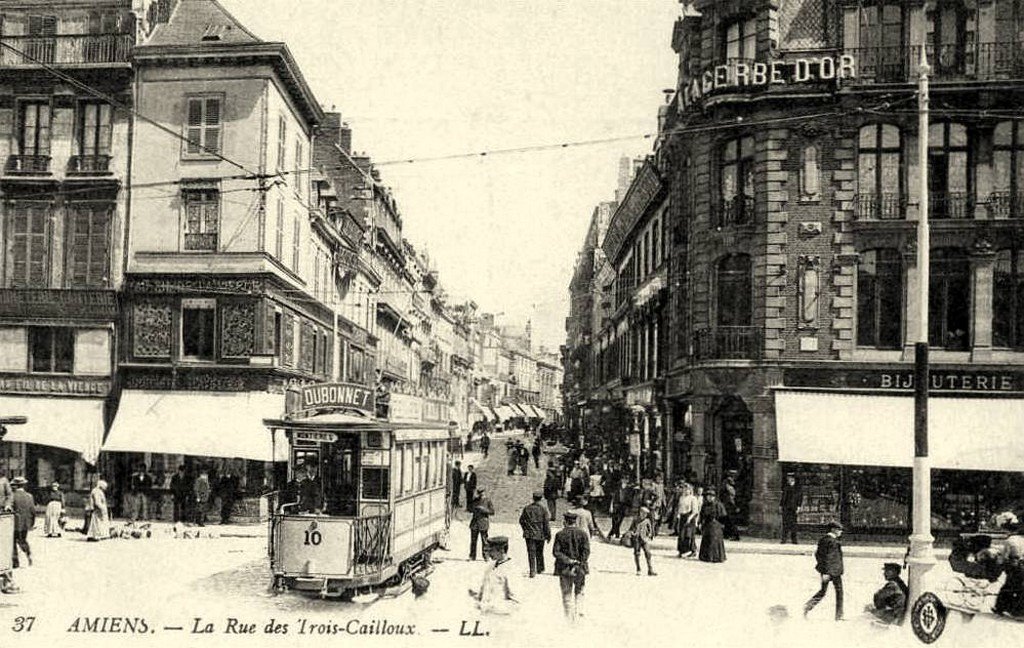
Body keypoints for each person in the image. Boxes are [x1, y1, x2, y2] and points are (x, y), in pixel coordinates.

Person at [553, 511, 590, 622]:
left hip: (564, 568)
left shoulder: (560, 534)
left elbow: (556, 552)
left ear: (565, 522)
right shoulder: (583, 534)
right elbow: (586, 551)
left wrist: (569, 560)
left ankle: (568, 619)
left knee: (567, 594)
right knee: (579, 592)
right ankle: (579, 615)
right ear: (576, 521)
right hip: (580, 568)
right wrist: (579, 562)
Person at [804, 521, 845, 621]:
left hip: (828, 571)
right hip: (833, 572)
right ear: (833, 530)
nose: (841, 532)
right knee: (838, 593)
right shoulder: (833, 542)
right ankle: (839, 616)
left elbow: (818, 555)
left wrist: (823, 570)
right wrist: (827, 572)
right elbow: (829, 558)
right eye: (839, 530)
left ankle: (806, 608)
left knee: (823, 591)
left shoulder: (823, 540)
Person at [468, 536, 519, 615]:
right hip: (485, 615)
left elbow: (515, 603)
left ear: (501, 550)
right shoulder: (491, 566)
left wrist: (490, 607)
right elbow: (486, 592)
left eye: (492, 551)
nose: (489, 554)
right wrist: (476, 596)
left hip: (499, 618)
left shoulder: (512, 570)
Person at [994, 515, 1024, 618]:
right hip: (1022, 566)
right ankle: (1018, 610)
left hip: (1014, 567)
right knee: (1019, 588)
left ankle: (1000, 607)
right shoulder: (1022, 539)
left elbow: (1004, 556)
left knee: (1008, 586)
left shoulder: (1009, 541)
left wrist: (999, 563)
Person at [518, 491, 551, 577]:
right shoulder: (544, 509)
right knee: (539, 551)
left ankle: (532, 571)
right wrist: (548, 535)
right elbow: (546, 523)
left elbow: (521, 520)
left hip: (529, 534)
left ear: (533, 498)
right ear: (541, 498)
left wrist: (525, 529)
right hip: (540, 533)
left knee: (531, 552)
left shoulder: (527, 508)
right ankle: (540, 568)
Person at [698, 487, 727, 563]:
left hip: (716, 524)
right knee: (707, 539)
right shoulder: (705, 505)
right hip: (707, 524)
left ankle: (716, 557)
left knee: (714, 540)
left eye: (711, 496)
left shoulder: (718, 505)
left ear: (714, 497)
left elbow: (723, 516)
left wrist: (722, 524)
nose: (709, 498)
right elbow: (701, 515)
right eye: (708, 496)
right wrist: (700, 523)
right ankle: (706, 556)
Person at [10, 478, 34, 567]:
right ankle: (28, 554)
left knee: (12, 542)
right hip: (25, 523)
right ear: (24, 485)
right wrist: (31, 523)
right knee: (23, 540)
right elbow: (33, 511)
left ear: (15, 486)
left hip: (14, 523)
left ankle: (15, 562)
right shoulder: (29, 496)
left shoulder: (12, 496)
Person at [469, 486, 494, 560]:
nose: (480, 495)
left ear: (484, 493)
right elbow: (470, 509)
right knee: (473, 541)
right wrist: (474, 509)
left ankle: (486, 556)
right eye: (479, 493)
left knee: (485, 541)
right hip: (475, 523)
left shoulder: (488, 501)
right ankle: (472, 556)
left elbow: (492, 512)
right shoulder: (475, 500)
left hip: (483, 523)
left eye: (482, 493)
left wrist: (484, 510)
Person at [676, 482, 699, 558]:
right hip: (682, 516)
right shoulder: (681, 497)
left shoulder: (693, 498)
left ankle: (693, 550)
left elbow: (695, 511)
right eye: (684, 489)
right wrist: (678, 515)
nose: (686, 491)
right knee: (681, 535)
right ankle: (681, 551)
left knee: (689, 535)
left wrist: (690, 518)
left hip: (690, 517)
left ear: (690, 490)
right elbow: (679, 507)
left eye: (687, 489)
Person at [632, 506, 657, 576]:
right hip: (637, 539)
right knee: (637, 554)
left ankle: (650, 570)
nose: (644, 515)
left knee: (648, 553)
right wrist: (633, 533)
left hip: (644, 539)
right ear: (640, 513)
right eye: (643, 513)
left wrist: (649, 535)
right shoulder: (635, 520)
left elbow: (650, 530)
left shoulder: (647, 521)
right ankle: (638, 569)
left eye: (645, 514)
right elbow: (631, 528)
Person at [780, 472, 803, 545]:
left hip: (794, 507)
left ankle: (794, 539)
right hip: (786, 507)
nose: (788, 479)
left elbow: (800, 498)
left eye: (790, 478)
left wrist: (799, 506)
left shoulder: (798, 488)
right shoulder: (786, 487)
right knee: (785, 523)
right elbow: (783, 497)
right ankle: (784, 539)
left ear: (793, 479)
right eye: (788, 478)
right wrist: (781, 505)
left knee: (793, 524)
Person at [722, 473, 740, 541]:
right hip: (729, 506)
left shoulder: (729, 489)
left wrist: (735, 507)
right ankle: (726, 534)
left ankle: (735, 535)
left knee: (731, 522)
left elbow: (731, 499)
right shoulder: (730, 488)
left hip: (730, 507)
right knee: (728, 521)